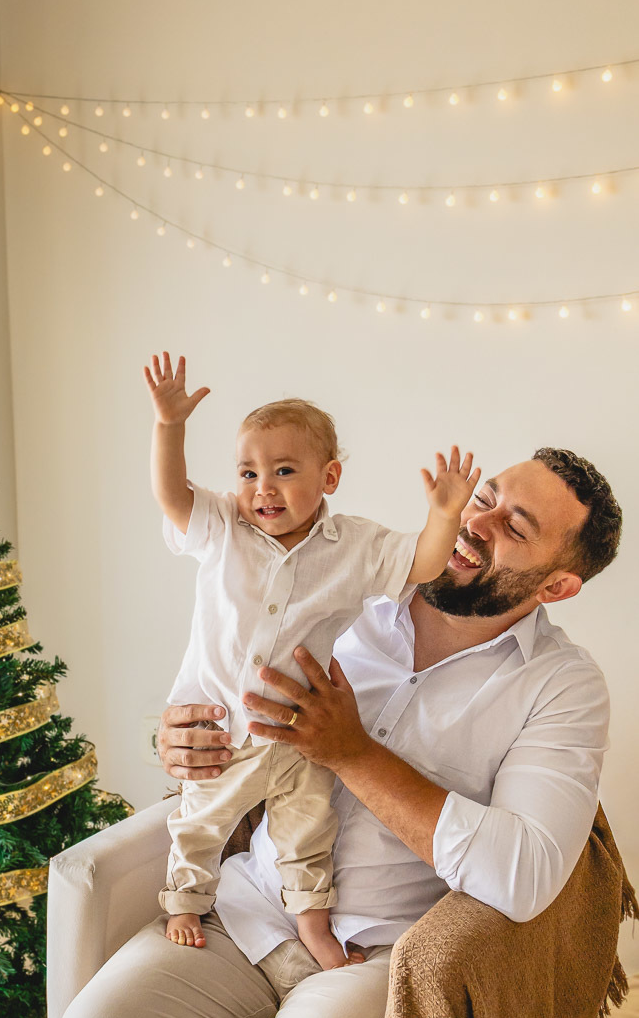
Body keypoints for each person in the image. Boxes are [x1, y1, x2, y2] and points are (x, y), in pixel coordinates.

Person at [54, 444, 622, 1018]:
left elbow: (522, 877)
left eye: (514, 526)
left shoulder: (562, 686)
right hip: (247, 909)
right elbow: (222, 681)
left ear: (557, 584)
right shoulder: (349, 584)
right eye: (485, 495)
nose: (477, 521)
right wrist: (183, 735)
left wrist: (351, 752)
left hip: (375, 956)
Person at [143, 351, 479, 968]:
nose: (261, 487)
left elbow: (425, 564)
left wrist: (443, 516)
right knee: (200, 820)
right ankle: (186, 901)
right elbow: (171, 496)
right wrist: (170, 426)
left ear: (328, 479)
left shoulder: (354, 545)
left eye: (283, 470)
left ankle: (312, 922)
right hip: (224, 728)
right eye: (247, 472)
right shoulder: (222, 527)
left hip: (303, 733)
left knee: (309, 828)